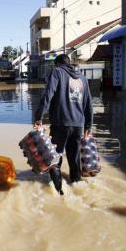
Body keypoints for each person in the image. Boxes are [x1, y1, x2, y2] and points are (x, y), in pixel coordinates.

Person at [34, 54, 93, 195]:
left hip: (61, 123)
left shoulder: (57, 72)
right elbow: (88, 103)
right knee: (74, 158)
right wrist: (89, 125)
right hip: (78, 125)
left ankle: (58, 190)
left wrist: (39, 116)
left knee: (56, 158)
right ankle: (77, 184)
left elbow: (48, 94)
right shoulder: (83, 78)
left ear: (58, 64)